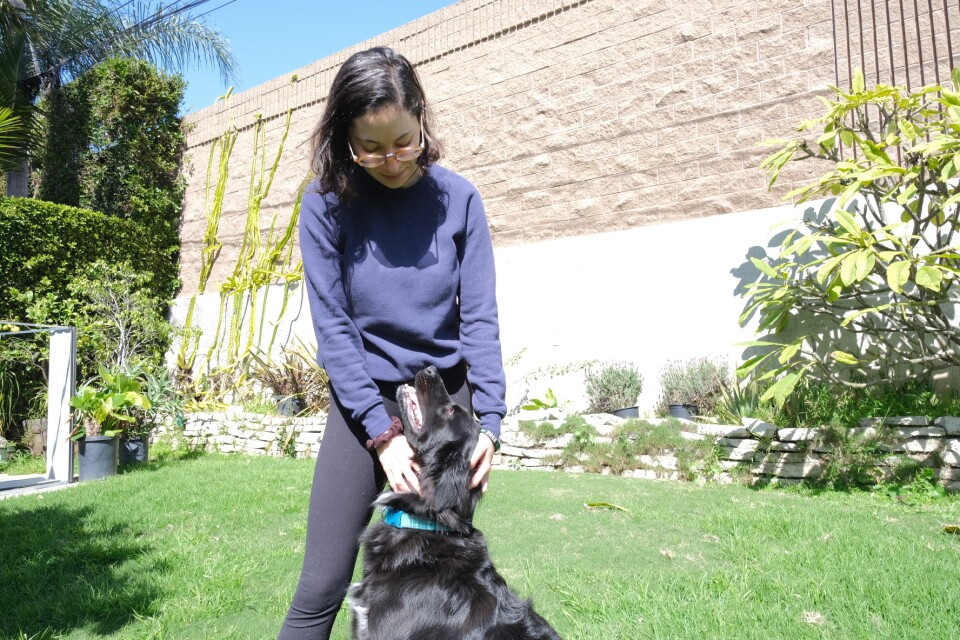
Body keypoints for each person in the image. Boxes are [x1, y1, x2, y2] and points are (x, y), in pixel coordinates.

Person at [277, 46, 507, 640]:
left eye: (402, 140)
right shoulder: (325, 203)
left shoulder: (459, 200)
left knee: (445, 586)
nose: (390, 160)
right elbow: (333, 327)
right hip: (366, 403)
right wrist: (380, 435)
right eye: (370, 147)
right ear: (343, 138)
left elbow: (479, 320)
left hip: (444, 405)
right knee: (322, 586)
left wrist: (493, 424)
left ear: (421, 118)